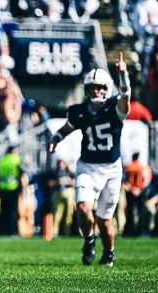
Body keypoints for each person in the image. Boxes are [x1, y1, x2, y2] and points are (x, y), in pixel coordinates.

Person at [48, 53, 131, 267]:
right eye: (92, 87)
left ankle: (109, 253)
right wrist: (56, 139)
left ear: (107, 88)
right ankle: (89, 240)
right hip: (87, 166)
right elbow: (66, 128)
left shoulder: (115, 109)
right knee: (83, 208)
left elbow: (126, 97)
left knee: (104, 221)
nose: (96, 90)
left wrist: (123, 76)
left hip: (112, 169)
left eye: (100, 87)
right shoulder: (79, 111)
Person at [48, 160, 75, 237]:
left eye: (62, 163)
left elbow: (74, 182)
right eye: (60, 163)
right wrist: (58, 181)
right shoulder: (54, 172)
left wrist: (68, 181)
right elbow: (49, 183)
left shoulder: (70, 173)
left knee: (68, 214)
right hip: (57, 192)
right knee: (57, 214)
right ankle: (55, 233)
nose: (61, 165)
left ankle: (67, 232)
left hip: (68, 192)